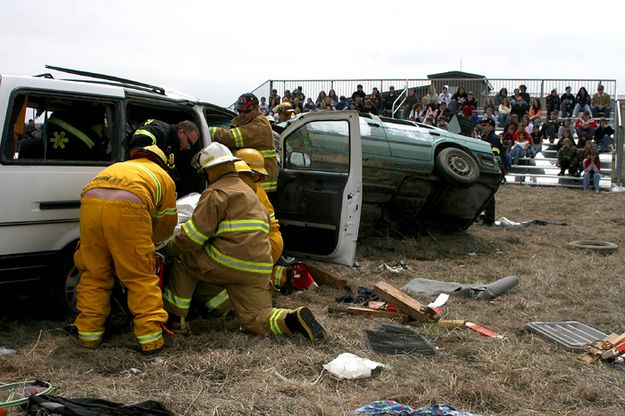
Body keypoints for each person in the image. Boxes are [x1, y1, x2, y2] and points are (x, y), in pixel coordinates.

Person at [162, 143, 325, 341]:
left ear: (210, 170)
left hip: (227, 262)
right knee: (253, 317)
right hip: (259, 267)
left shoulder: (215, 193)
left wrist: (170, 248)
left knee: (183, 259)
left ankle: (175, 321)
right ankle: (290, 319)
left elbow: (193, 237)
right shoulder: (253, 194)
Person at [72, 144, 177, 354]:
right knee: (139, 277)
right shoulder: (162, 177)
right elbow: (166, 222)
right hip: (129, 209)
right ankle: (151, 341)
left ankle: (88, 335)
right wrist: (152, 243)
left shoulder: (117, 168)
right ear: (161, 162)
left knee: (94, 274)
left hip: (90, 205)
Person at [209, 93, 278, 193]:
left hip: (261, 185)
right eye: (239, 111)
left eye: (246, 111)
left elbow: (231, 138)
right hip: (252, 182)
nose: (242, 114)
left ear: (256, 109)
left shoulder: (260, 125)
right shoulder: (248, 121)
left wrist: (208, 130)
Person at [129, 119, 201, 197]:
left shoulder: (174, 146)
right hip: (133, 179)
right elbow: (138, 142)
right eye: (189, 142)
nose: (188, 147)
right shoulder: (160, 131)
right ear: (181, 132)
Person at [479, 119, 503, 226]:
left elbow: (495, 153)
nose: (483, 127)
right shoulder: (485, 137)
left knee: (489, 194)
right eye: (483, 125)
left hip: (493, 168)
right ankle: (485, 217)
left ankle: (489, 220)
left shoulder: (494, 138)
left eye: (486, 125)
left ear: (492, 127)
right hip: (487, 167)